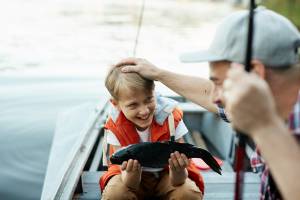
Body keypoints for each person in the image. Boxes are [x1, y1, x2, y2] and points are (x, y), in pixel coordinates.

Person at [116, 7, 300, 200]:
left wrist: (264, 127)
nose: (214, 98)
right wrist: (159, 74)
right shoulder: (273, 104)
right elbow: (207, 93)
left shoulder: (269, 119)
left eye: (219, 83)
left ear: (254, 72)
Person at [100, 65, 204, 200]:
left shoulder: (172, 120)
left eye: (149, 99)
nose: (144, 111)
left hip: (167, 175)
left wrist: (178, 170)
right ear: (116, 103)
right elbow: (129, 183)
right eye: (133, 105)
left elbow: (179, 181)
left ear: (154, 92)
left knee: (188, 194)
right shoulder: (115, 128)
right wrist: (132, 175)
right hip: (131, 179)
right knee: (115, 195)